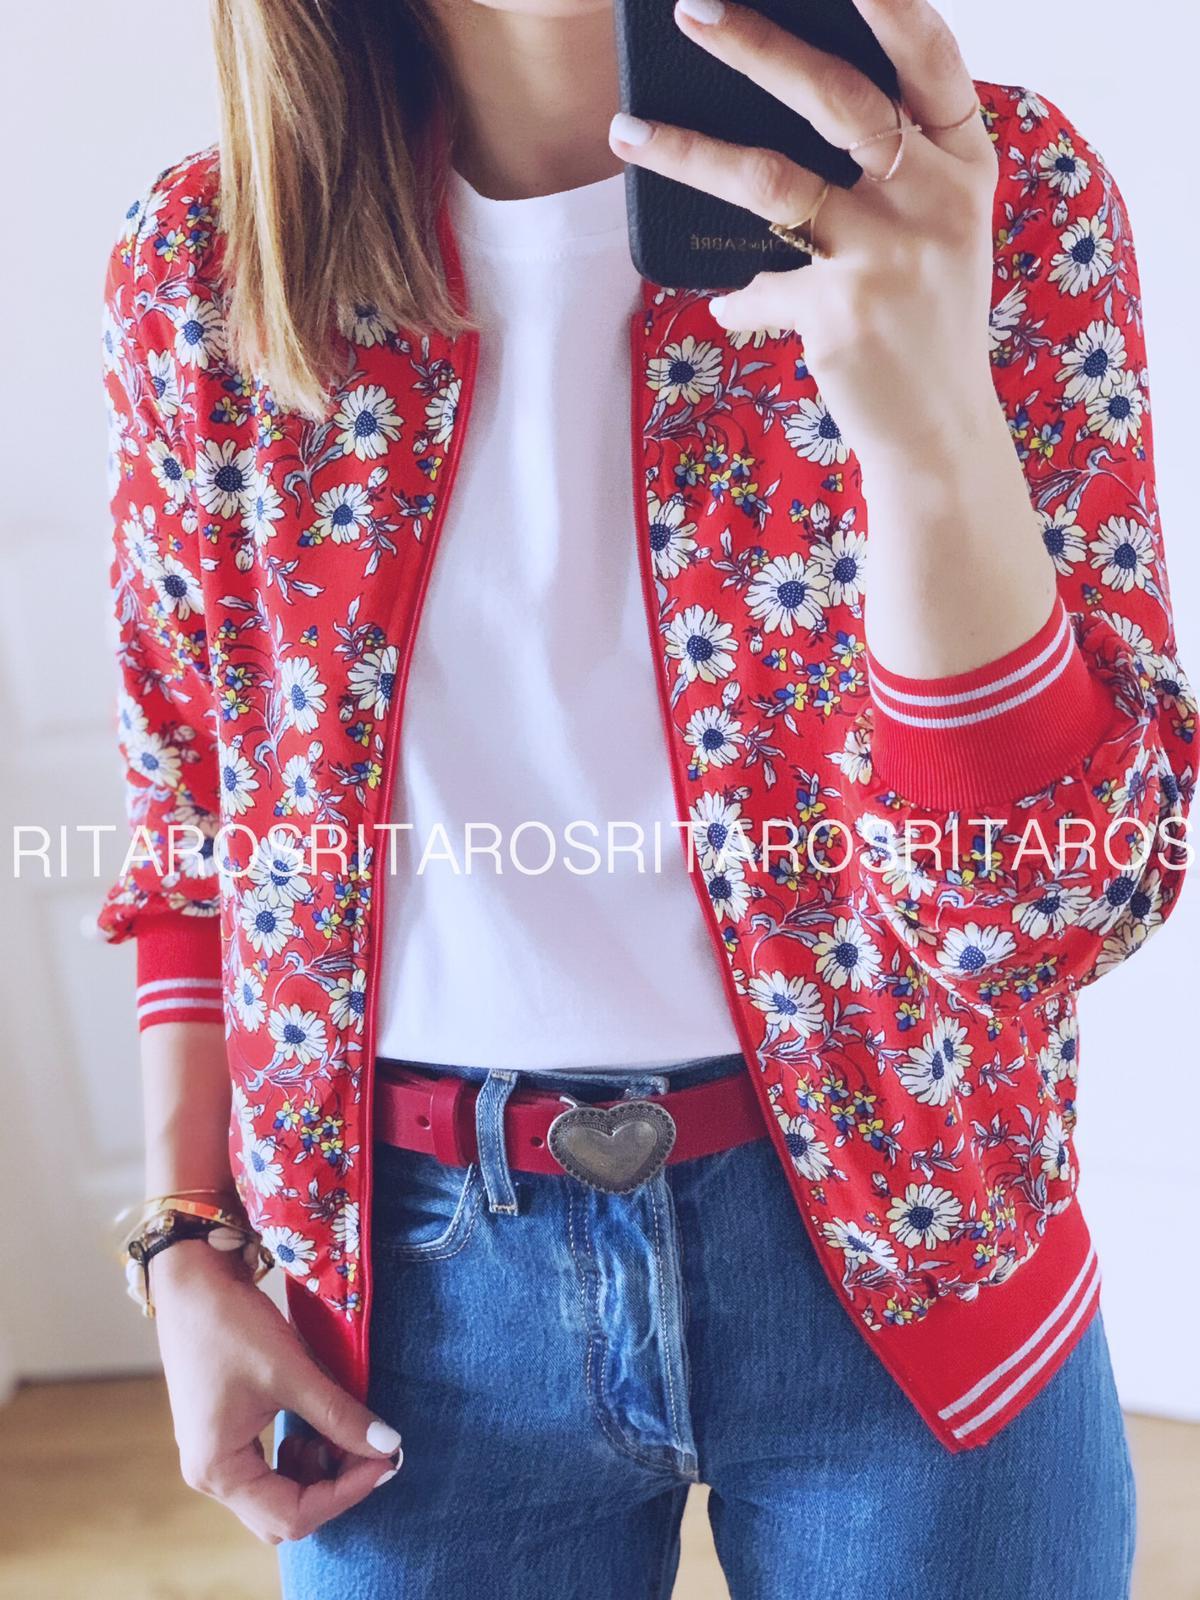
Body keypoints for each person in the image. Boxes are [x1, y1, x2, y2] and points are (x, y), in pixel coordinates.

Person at [99, 0, 1192, 1595]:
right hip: (408, 1326)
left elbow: (1056, 908)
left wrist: (933, 427)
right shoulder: (209, 263)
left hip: (921, 1255)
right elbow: (194, 811)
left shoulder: (977, 189)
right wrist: (185, 1237)